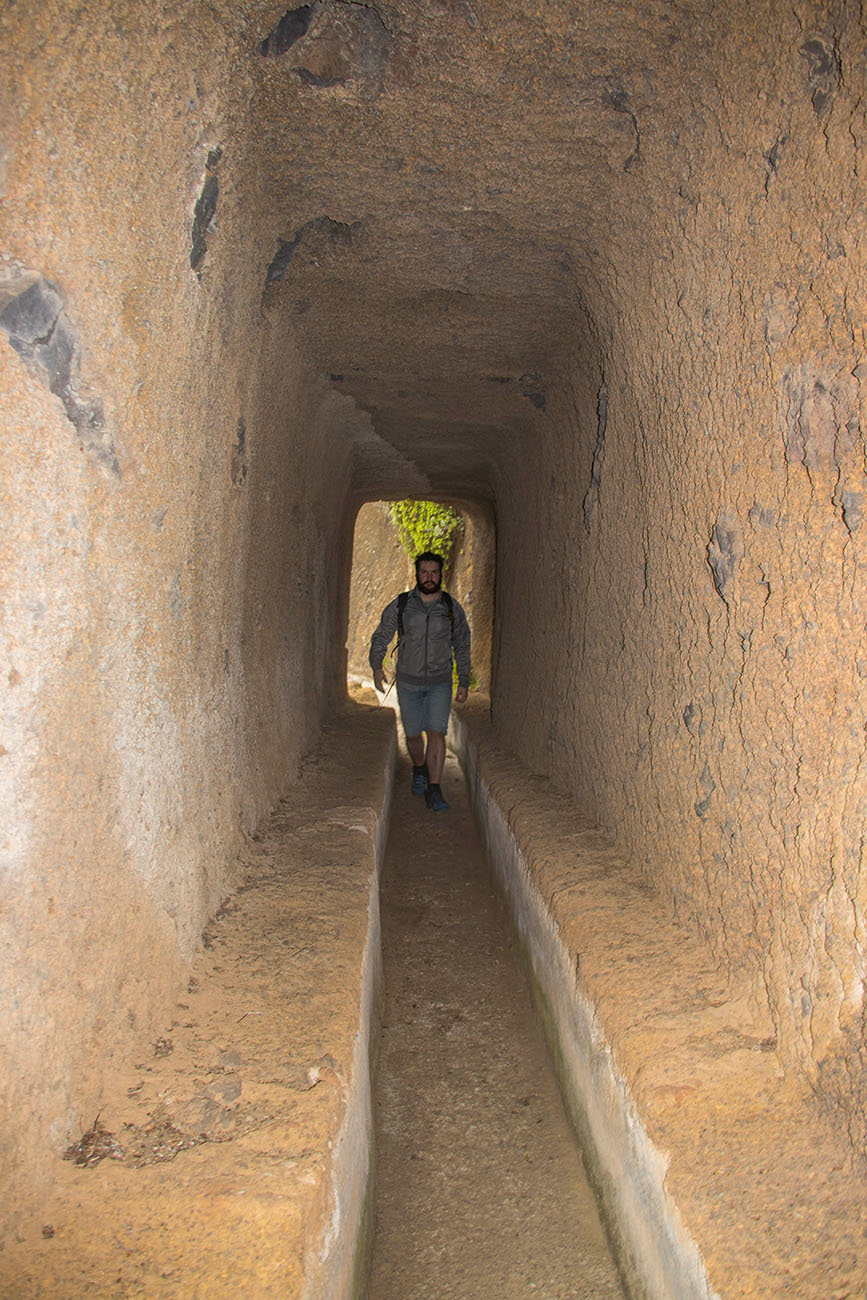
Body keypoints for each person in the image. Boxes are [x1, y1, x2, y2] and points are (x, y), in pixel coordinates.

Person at [369, 551, 471, 811]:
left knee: (436, 733)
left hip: (440, 682)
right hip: (408, 683)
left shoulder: (450, 608)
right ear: (417, 574)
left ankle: (435, 790)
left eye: (433, 572)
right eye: (424, 572)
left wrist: (463, 680)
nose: (429, 577)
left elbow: (462, 643)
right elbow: (382, 634)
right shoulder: (402, 604)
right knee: (414, 735)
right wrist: (377, 666)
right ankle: (419, 769)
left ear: (440, 574)